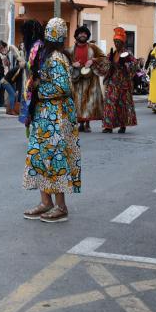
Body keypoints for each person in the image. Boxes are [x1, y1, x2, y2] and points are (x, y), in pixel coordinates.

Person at [22, 17, 80, 223]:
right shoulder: (50, 55)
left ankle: (61, 206)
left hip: (55, 116)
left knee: (55, 158)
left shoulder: (55, 58)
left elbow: (62, 88)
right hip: (44, 115)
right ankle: (46, 202)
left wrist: (38, 87)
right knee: (40, 157)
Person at [70, 26, 105, 132]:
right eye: (80, 33)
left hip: (91, 79)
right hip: (76, 78)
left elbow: (103, 57)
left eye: (85, 33)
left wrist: (93, 60)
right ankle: (80, 123)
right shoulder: (71, 49)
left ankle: (87, 123)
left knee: (89, 102)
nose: (82, 35)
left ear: (87, 35)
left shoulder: (93, 47)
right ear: (76, 36)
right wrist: (72, 64)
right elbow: (65, 61)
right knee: (78, 102)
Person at [102, 27, 137, 134]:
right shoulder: (112, 53)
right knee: (109, 103)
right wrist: (109, 63)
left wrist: (125, 64)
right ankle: (108, 126)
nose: (116, 44)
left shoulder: (128, 54)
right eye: (115, 41)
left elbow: (135, 65)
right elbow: (105, 65)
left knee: (122, 104)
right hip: (112, 82)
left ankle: (123, 125)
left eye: (118, 42)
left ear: (123, 42)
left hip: (123, 83)